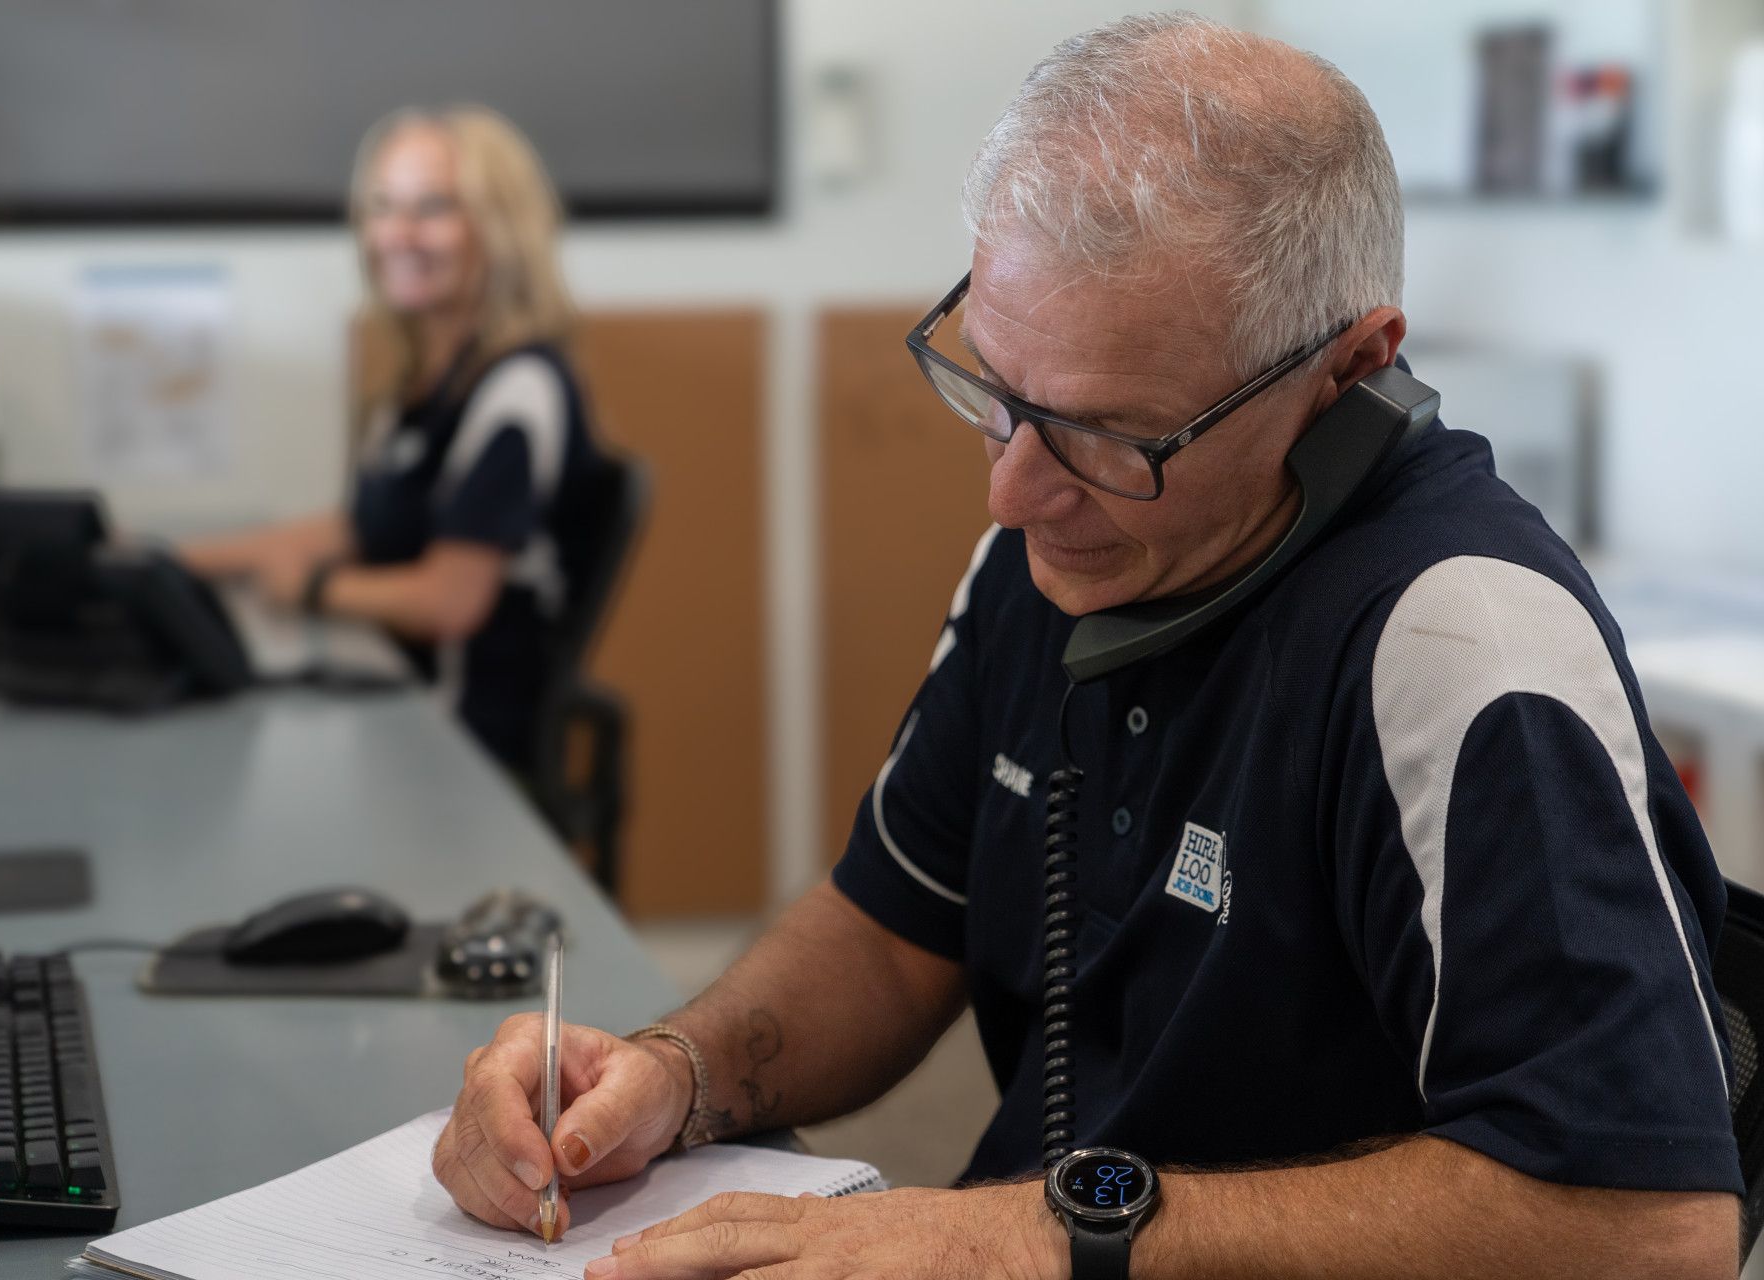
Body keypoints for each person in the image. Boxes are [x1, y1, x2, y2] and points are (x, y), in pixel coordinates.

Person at [433, 15, 1740, 1279]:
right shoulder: (1054, 550)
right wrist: (676, 1072)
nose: (1012, 494)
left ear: (1347, 373)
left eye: (1114, 435)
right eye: (997, 391)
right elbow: (894, 931)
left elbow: (1644, 1224)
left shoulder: (1460, 647)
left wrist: (1038, 1236)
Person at [180, 107, 600, 772]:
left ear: (500, 229)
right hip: (397, 719)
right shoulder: (419, 382)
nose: (396, 235)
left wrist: (313, 589)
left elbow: (452, 599)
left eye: (431, 208)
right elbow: (359, 528)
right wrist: (177, 559)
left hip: (464, 752)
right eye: (381, 207)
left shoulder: (519, 389)